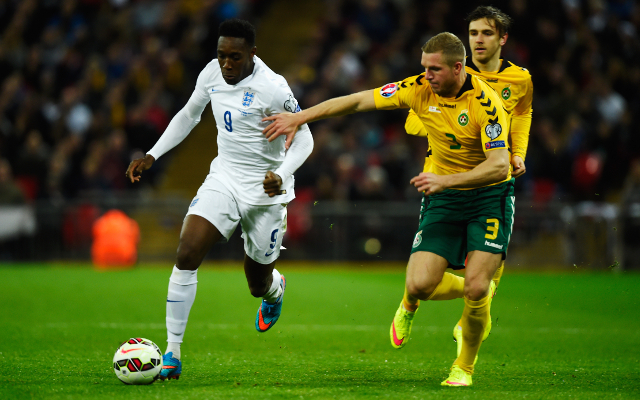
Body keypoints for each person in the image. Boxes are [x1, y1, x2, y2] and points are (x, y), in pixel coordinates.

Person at [263, 32, 511, 386]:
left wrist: (446, 181)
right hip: (443, 197)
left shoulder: (486, 105)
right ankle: (413, 302)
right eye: (424, 67)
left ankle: (463, 368)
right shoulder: (418, 88)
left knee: (474, 288)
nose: (426, 75)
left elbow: (499, 165)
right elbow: (356, 101)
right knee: (421, 283)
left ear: (458, 68)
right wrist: (300, 118)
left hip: (488, 196)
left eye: (434, 69)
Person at [125, 19, 314, 381]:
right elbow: (188, 115)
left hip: (264, 190)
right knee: (187, 252)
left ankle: (275, 290)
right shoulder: (211, 73)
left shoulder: (273, 88)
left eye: (235, 57)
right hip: (223, 179)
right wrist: (153, 154)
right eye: (222, 55)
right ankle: (172, 352)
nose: (226, 64)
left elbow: (304, 138)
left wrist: (282, 174)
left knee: (256, 282)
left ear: (252, 54)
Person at [401, 5, 533, 364]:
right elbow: (414, 119)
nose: (478, 39)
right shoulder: (450, 73)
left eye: (486, 33)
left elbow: (522, 113)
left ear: (502, 39)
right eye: (473, 32)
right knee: (434, 279)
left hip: (491, 182)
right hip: (445, 182)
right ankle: (412, 298)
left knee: (482, 280)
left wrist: (516, 151)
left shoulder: (519, 79)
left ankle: (466, 344)